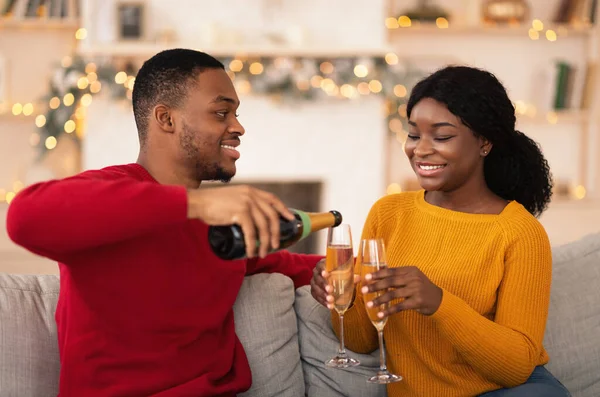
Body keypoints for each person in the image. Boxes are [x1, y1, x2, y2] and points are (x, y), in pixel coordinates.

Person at [6, 49, 324, 397]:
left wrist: (336, 271)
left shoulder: (224, 233)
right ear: (166, 119)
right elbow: (23, 216)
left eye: (235, 113)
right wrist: (195, 203)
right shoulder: (109, 193)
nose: (238, 127)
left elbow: (292, 265)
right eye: (221, 112)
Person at [311, 65, 571, 396]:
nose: (420, 150)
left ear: (485, 142)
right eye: (414, 134)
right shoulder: (389, 214)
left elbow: (518, 366)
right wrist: (338, 299)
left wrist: (438, 303)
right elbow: (362, 341)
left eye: (442, 136)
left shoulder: (520, 232)